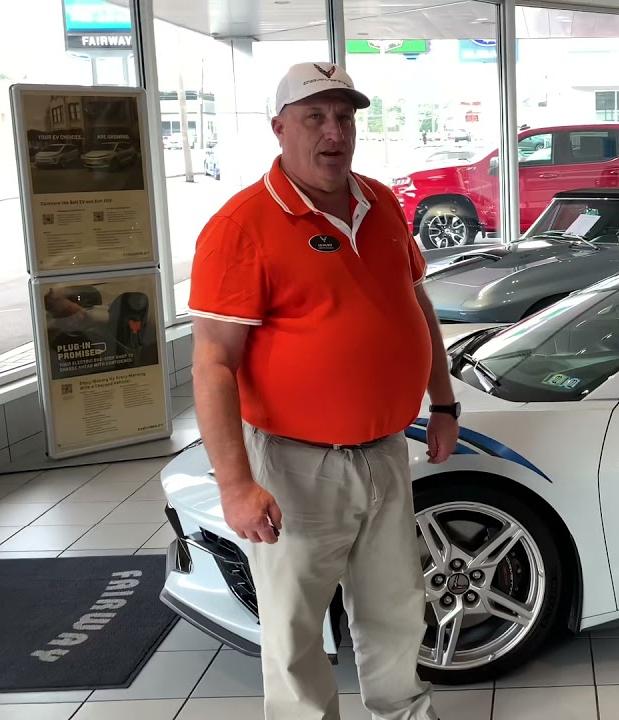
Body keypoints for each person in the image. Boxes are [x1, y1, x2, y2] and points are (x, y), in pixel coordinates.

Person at [188, 61, 456, 720]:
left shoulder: (380, 200)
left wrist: (443, 401)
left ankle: (404, 714)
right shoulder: (241, 227)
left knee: (396, 609)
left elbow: (415, 303)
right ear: (280, 128)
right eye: (315, 117)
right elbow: (213, 364)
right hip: (294, 464)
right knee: (296, 630)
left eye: (345, 116)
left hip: (384, 450)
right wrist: (235, 484)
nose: (334, 132)